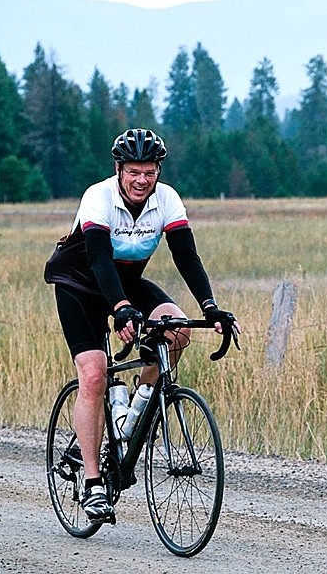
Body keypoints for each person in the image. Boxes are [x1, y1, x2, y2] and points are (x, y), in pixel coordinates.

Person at [44, 128, 238, 523]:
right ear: (119, 169)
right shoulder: (98, 197)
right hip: (79, 285)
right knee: (94, 375)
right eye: (133, 171)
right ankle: (94, 483)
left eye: (149, 171)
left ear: (158, 171)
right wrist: (120, 309)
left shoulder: (166, 199)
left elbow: (186, 254)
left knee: (177, 329)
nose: (141, 180)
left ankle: (134, 411)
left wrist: (211, 306)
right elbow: (98, 260)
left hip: (126, 283)